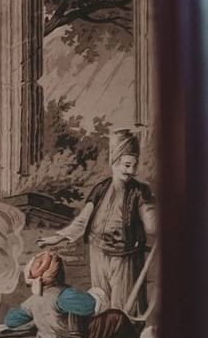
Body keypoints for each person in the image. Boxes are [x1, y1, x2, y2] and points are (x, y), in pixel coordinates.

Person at [39, 129, 156, 315]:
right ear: (114, 162)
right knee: (100, 302)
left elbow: (151, 224)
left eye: (134, 165)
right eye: (127, 165)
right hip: (98, 253)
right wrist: (59, 237)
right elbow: (83, 221)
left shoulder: (139, 191)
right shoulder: (101, 189)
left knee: (122, 307)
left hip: (125, 257)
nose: (132, 171)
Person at [3, 251, 137, 338]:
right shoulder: (63, 295)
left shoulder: (32, 301)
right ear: (58, 272)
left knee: (79, 319)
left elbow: (10, 320)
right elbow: (90, 306)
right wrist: (97, 294)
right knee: (116, 317)